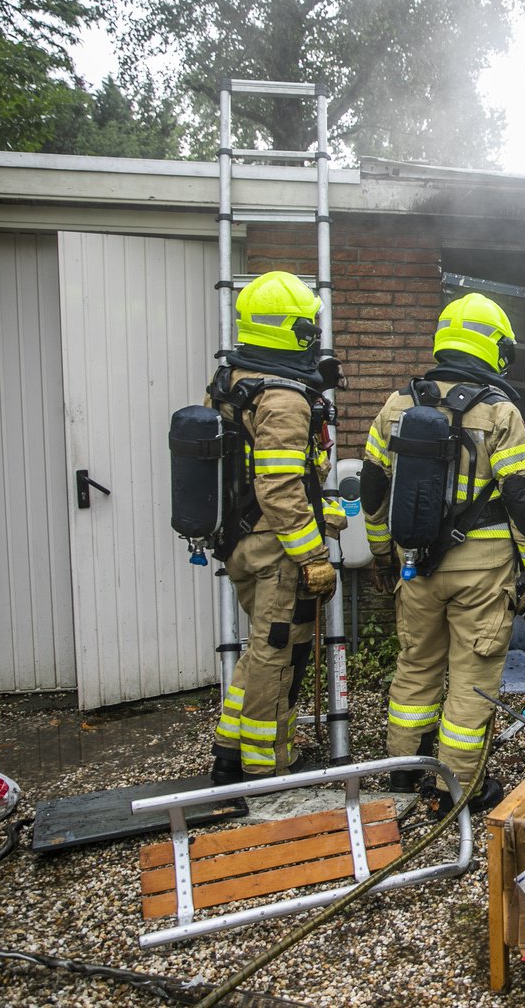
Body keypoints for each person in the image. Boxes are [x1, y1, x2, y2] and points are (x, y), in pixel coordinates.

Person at [360, 292, 525, 814]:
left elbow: (373, 488)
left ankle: (403, 772)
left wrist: (382, 555)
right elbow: (524, 501)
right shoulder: (499, 412)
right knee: (471, 678)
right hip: (481, 573)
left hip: (415, 566)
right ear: (494, 347)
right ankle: (456, 789)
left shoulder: (398, 404)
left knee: (416, 665)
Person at [207, 270, 344, 785]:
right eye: (308, 326)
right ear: (290, 329)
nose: (314, 335)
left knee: (262, 646)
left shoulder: (234, 384)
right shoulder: (284, 398)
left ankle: (229, 748)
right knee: (275, 655)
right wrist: (312, 555)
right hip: (276, 547)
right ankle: (267, 768)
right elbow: (281, 487)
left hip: (245, 540)